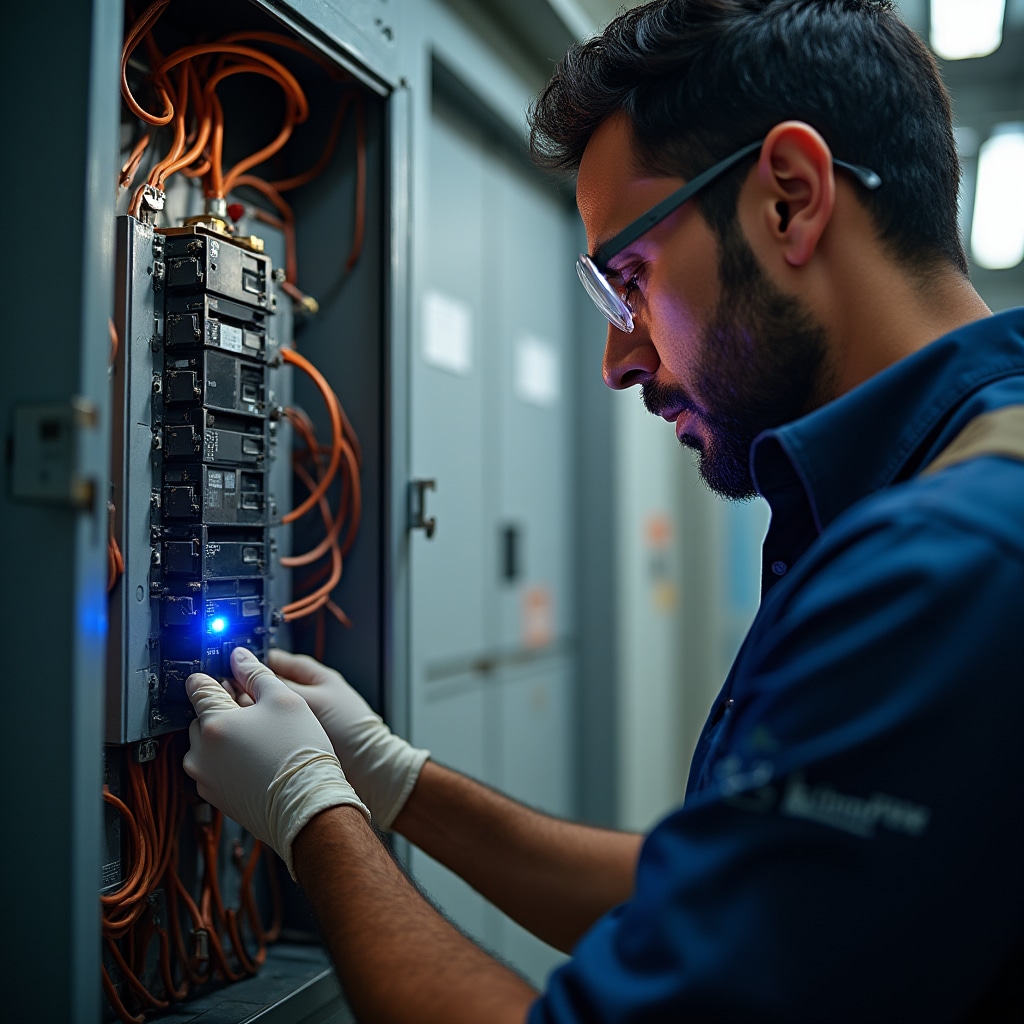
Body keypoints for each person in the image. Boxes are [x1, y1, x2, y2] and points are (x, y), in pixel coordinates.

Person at [183, 0, 1024, 1020]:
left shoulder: (942, 564)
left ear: (790, 201)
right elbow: (737, 897)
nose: (619, 358)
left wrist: (313, 817)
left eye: (629, 276)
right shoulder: (929, 492)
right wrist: (393, 781)